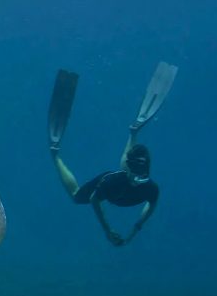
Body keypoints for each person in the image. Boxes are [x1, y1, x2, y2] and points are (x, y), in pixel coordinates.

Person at [46, 62, 177, 246]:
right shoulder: (111, 182)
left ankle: (133, 132)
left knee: (126, 169)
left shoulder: (150, 189)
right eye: (136, 174)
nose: (138, 179)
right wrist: (108, 230)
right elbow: (95, 201)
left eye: (142, 175)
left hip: (124, 180)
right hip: (113, 181)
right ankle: (56, 156)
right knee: (77, 196)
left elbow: (151, 206)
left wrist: (135, 229)